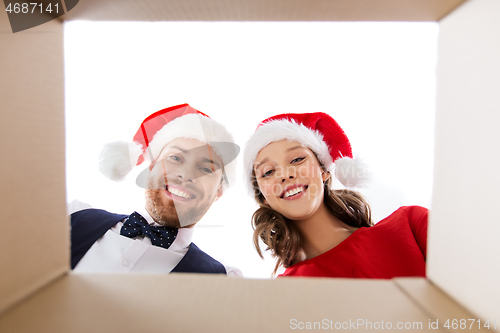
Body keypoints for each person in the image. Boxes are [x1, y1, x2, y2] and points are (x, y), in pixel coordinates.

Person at [243, 112, 428, 278]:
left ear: (324, 171)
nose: (285, 175)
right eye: (267, 172)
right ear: (263, 195)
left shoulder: (411, 226)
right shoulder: (283, 292)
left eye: (297, 159)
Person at [70, 103, 241, 276]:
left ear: (219, 191)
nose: (185, 175)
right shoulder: (70, 216)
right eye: (175, 158)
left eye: (206, 169)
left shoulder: (225, 280)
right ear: (151, 167)